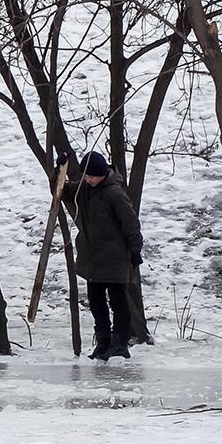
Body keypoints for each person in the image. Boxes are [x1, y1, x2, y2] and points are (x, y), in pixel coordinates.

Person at [58, 150, 144, 361]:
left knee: (118, 302)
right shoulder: (85, 188)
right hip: (92, 258)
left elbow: (131, 224)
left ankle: (120, 342)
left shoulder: (114, 193)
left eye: (91, 176)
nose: (87, 179)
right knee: (96, 303)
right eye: (85, 176)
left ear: (102, 173)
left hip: (113, 257)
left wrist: (135, 250)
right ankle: (103, 342)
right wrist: (58, 170)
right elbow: (59, 190)